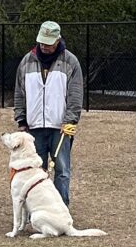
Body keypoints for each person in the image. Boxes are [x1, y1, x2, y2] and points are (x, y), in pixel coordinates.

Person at [13, 20, 83, 206]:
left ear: (58, 40)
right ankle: (37, 207)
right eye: (42, 42)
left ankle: (61, 208)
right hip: (34, 127)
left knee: (62, 170)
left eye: (48, 43)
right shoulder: (26, 61)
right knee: (36, 170)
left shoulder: (70, 61)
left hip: (60, 127)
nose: (44, 46)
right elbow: (19, 93)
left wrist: (70, 120)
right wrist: (21, 120)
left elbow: (75, 94)